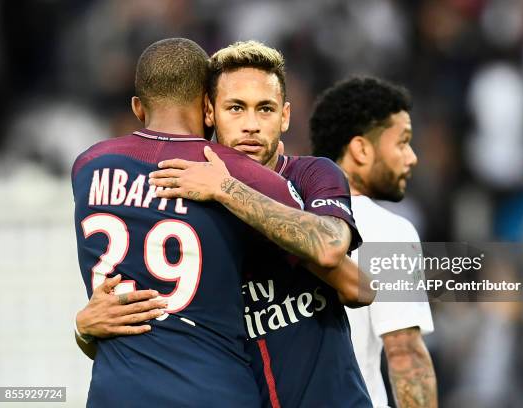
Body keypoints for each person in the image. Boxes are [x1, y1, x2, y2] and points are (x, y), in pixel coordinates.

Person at [76, 41, 374, 407]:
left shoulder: (311, 175)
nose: (251, 125)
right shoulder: (182, 192)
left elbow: (360, 287)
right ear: (209, 111)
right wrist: (85, 328)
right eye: (236, 108)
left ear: (284, 116)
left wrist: (227, 189)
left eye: (264, 109)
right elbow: (156, 334)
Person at [310, 77, 438, 408]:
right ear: (361, 149)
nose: (412, 158)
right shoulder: (387, 230)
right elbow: (404, 353)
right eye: (402, 142)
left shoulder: (281, 219)